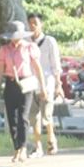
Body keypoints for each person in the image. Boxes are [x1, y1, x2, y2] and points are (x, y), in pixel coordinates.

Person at [0, 20, 45, 163]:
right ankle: (17, 147)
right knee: (12, 117)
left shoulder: (29, 47)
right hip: (11, 83)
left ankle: (23, 147)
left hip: (25, 84)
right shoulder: (4, 50)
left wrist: (42, 87)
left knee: (23, 116)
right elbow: (0, 70)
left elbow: (37, 67)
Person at [28, 12, 61, 157]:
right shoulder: (26, 41)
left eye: (35, 23)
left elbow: (55, 65)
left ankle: (51, 138)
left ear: (41, 24)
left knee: (46, 115)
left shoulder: (49, 41)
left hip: (47, 83)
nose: (32, 26)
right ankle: (38, 146)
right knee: (33, 117)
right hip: (30, 84)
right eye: (30, 23)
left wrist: (58, 84)